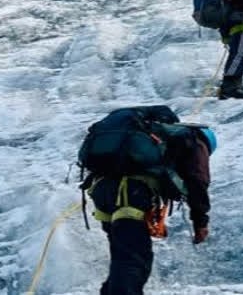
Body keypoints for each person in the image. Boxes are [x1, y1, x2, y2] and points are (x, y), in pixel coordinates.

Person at [85, 111, 216, 295]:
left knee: (123, 259)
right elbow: (198, 181)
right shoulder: (195, 142)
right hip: (131, 194)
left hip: (103, 193)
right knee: (135, 260)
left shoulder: (150, 137)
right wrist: (200, 222)